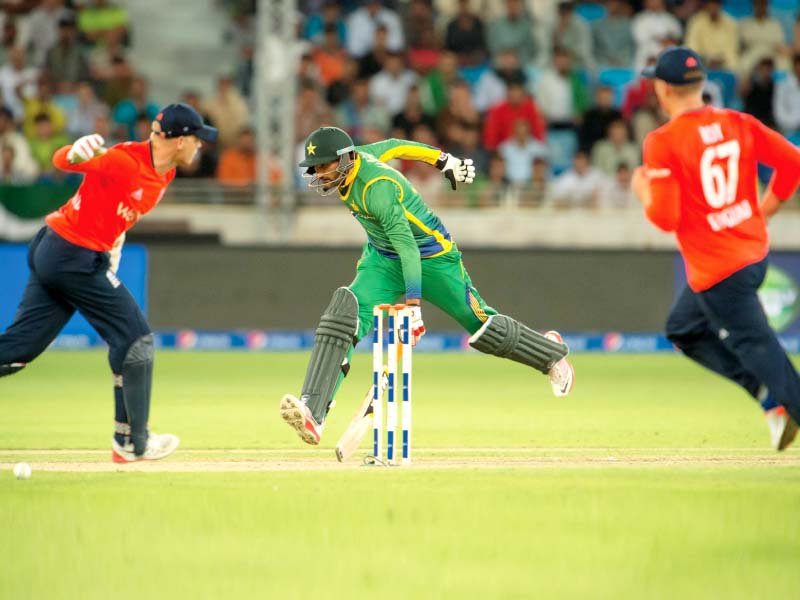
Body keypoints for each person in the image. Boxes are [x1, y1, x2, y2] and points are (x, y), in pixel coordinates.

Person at [279, 126, 575, 446]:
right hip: (382, 258)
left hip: (432, 257)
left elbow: (409, 247)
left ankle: (550, 355)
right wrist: (443, 160)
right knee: (344, 310)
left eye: (324, 166)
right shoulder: (355, 161)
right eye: (316, 168)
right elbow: (395, 145)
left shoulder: (378, 187)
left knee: (482, 327)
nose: (320, 174)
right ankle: (313, 409)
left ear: (345, 158)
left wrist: (414, 308)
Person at [0, 103, 217, 462]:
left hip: (61, 250)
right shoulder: (123, 161)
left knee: (19, 351)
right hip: (71, 254)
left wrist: (111, 249)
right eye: (197, 139)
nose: (200, 146)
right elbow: (62, 162)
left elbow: (117, 213)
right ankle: (134, 441)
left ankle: (127, 437)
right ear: (179, 141)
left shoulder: (164, 175)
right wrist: (75, 150)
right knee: (136, 339)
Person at [632, 47, 800, 451]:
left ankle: (780, 398)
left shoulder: (663, 141)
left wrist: (642, 189)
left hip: (718, 271)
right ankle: (768, 398)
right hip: (753, 256)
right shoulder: (737, 122)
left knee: (759, 348)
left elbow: (666, 218)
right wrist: (765, 210)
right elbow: (792, 162)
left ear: (664, 90)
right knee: (683, 328)